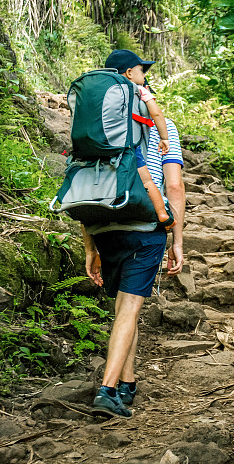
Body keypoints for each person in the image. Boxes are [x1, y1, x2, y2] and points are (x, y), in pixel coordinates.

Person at [82, 66, 186, 418]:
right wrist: (177, 239)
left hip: (103, 224)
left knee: (124, 308)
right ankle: (107, 391)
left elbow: (86, 182)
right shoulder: (160, 126)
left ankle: (127, 383)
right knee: (130, 308)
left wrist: (90, 246)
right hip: (144, 223)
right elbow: (174, 186)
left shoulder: (99, 127)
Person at [105, 49, 175, 231]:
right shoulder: (138, 90)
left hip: (105, 146)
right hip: (129, 145)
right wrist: (164, 138)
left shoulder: (104, 92)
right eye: (142, 71)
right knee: (147, 181)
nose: (144, 76)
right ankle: (162, 213)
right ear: (129, 73)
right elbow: (156, 113)